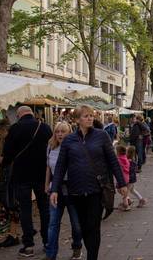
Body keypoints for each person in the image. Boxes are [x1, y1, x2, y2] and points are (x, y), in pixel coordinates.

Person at [50, 105, 127, 260]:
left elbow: (113, 161)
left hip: (96, 190)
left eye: (91, 115)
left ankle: (92, 257)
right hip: (76, 191)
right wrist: (54, 189)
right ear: (77, 120)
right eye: (86, 116)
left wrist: (122, 183)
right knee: (83, 229)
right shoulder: (69, 140)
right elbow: (60, 166)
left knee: (94, 227)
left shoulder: (101, 135)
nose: (90, 118)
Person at [1, 106, 52, 257]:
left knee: (25, 210)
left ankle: (28, 245)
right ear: (32, 114)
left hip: (21, 176)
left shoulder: (15, 128)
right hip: (42, 175)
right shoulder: (45, 127)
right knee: (44, 209)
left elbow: (8, 155)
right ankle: (47, 242)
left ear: (19, 115)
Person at [44, 122, 83, 260]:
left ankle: (77, 246)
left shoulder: (75, 146)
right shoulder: (51, 147)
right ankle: (51, 254)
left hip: (72, 188)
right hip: (56, 188)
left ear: (69, 132)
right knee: (53, 224)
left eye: (63, 131)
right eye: (57, 131)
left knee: (76, 224)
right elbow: (48, 167)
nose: (60, 134)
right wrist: (46, 185)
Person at [0, 118, 21, 249]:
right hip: (7, 176)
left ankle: (13, 234)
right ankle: (13, 233)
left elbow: (6, 159)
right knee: (9, 203)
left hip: (9, 177)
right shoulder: (9, 140)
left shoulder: (9, 141)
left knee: (10, 203)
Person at [116, 145, 131, 211]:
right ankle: (127, 198)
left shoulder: (119, 159)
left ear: (118, 152)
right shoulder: (125, 158)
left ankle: (126, 205)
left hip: (122, 178)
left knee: (120, 190)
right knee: (123, 190)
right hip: (127, 177)